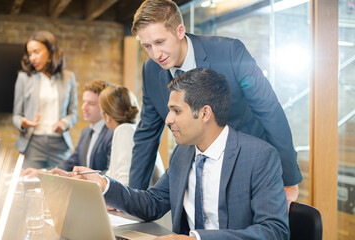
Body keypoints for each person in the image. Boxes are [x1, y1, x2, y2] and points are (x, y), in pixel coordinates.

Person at [72, 68, 290, 239]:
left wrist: (197, 239)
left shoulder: (259, 156)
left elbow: (274, 232)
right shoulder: (183, 153)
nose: (167, 119)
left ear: (205, 113)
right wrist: (103, 184)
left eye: (176, 111)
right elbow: (152, 203)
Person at [128, 0, 302, 205]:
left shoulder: (230, 52)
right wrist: (132, 198)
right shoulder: (150, 70)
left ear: (180, 31)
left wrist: (288, 180)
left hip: (248, 169)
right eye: (147, 46)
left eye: (160, 42)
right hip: (195, 177)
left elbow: (269, 110)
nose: (155, 54)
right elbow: (147, 134)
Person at [13, 30, 78, 168]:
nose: (32, 58)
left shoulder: (68, 77)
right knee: (30, 186)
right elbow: (16, 115)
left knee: (63, 187)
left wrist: (64, 122)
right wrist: (23, 122)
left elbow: (74, 113)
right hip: (33, 145)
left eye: (36, 52)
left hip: (60, 145)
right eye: (30, 54)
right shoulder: (24, 78)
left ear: (51, 51)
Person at [23, 80, 113, 177]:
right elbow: (71, 163)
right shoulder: (86, 132)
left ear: (105, 106)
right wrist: (42, 173)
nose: (83, 107)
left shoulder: (113, 133)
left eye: (91, 103)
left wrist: (81, 178)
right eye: (84, 102)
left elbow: (111, 173)